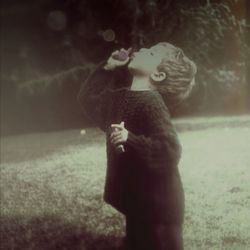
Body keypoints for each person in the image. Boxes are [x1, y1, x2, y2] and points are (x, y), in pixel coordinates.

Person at [77, 42, 197, 250]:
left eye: (150, 53)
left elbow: (169, 149)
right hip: (139, 199)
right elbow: (88, 99)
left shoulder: (152, 102)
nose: (141, 50)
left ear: (158, 75)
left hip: (160, 207)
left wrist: (130, 139)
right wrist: (108, 67)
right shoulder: (121, 98)